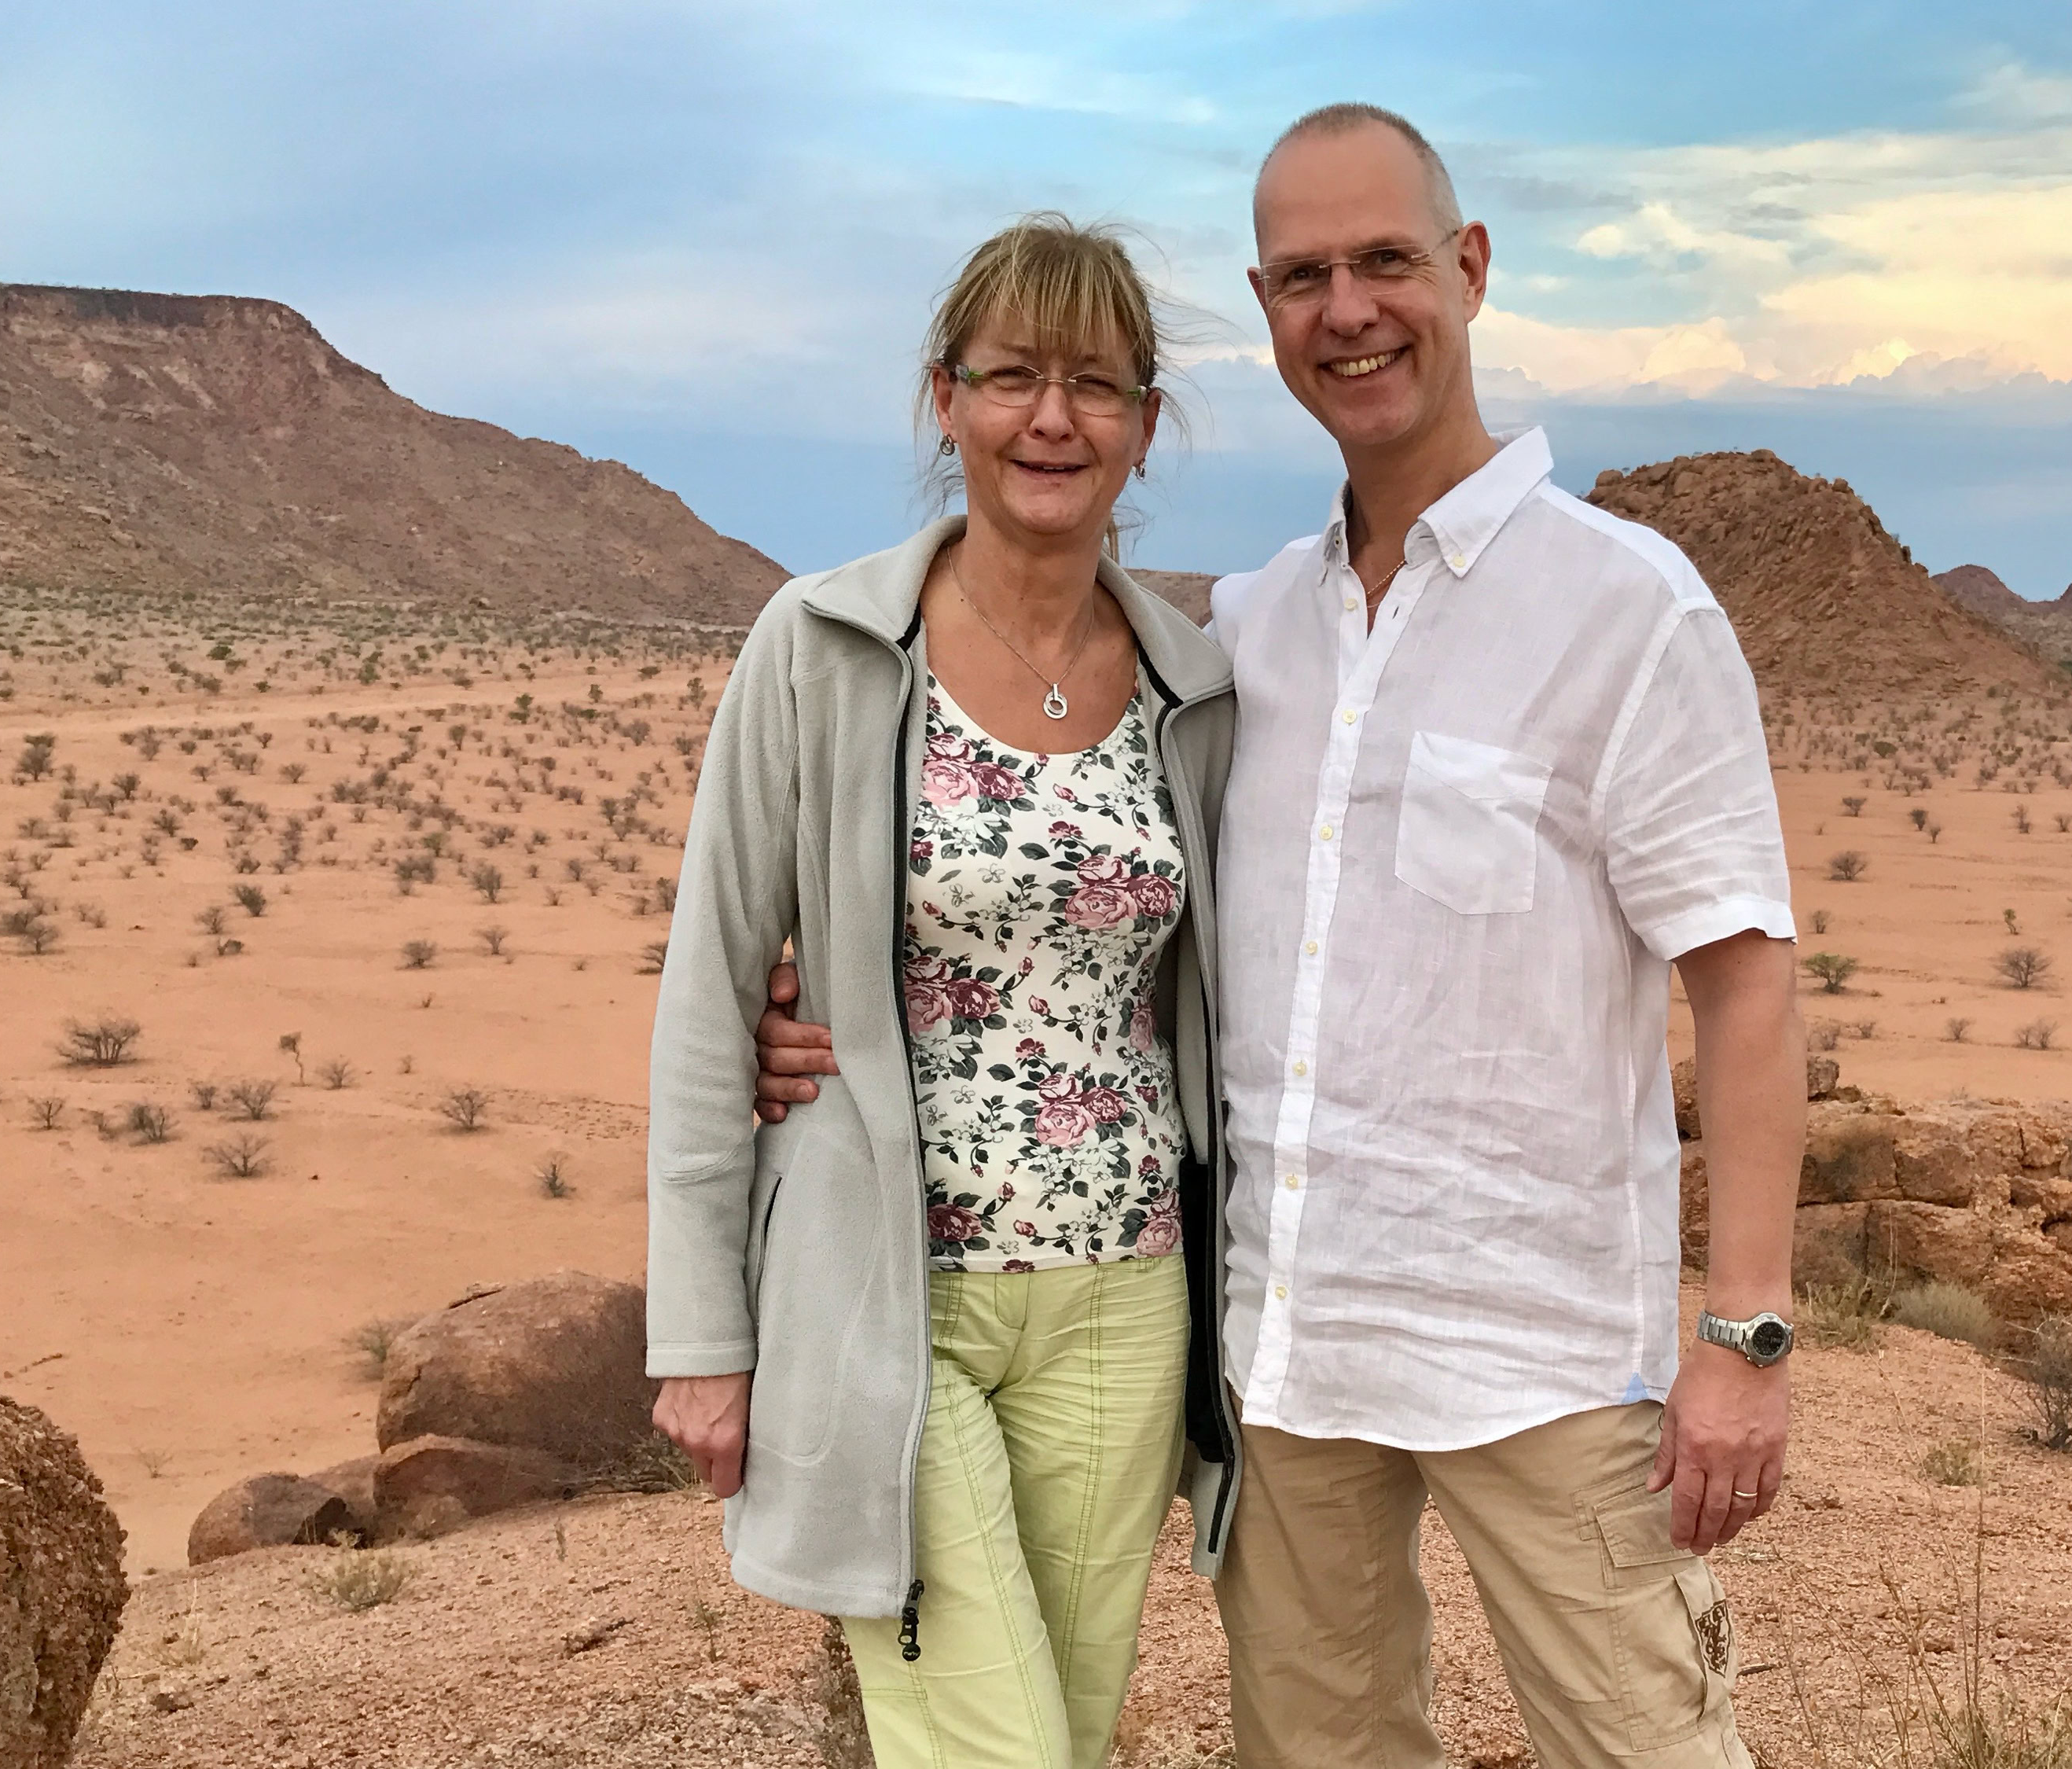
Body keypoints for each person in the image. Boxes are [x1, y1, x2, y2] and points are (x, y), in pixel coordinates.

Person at [751, 105, 1807, 1767]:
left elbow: (1745, 986)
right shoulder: (1245, 635)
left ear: (1468, 267)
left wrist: (1743, 1336)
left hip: (1538, 1361)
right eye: (1305, 276)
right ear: (1264, 307)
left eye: (1386, 260)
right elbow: (1093, 909)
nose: (1348, 310)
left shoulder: (1630, 607)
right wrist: (829, 1018)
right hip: (1289, 1359)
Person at [645, 214, 1240, 1769]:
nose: (1053, 418)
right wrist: (700, 1334)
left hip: (1126, 1300)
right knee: (993, 1744)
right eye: (1012, 377)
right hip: (891, 1295)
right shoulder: (826, 648)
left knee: (1066, 1728)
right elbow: (712, 991)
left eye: (1095, 384)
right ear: (944, 399)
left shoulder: (1195, 687)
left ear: (1144, 423)